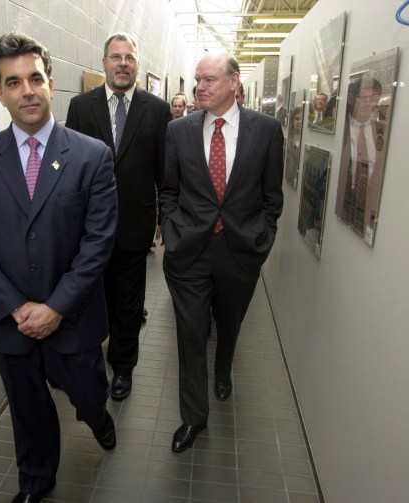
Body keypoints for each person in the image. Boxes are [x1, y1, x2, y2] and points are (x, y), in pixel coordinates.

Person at [0, 33, 118, 503]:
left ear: (50, 84)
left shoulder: (91, 156)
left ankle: (98, 416)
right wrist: (17, 306)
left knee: (86, 395)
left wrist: (57, 308)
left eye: (35, 78)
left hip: (74, 318)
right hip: (11, 324)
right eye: (13, 82)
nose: (27, 90)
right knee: (28, 410)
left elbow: (97, 243)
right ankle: (36, 483)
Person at [160, 51, 284, 452]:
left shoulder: (265, 130)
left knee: (228, 323)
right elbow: (169, 190)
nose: (199, 87)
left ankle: (224, 367)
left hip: (240, 251)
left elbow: (272, 197)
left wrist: (262, 239)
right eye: (197, 80)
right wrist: (173, 229)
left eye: (209, 79)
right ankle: (193, 418)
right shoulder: (179, 130)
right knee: (191, 333)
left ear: (233, 82)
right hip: (189, 252)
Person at [65, 32, 171, 401]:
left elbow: (165, 172)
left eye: (129, 57)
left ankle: (123, 368)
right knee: (93, 299)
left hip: (135, 225)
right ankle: (92, 365)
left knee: (128, 302)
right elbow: (69, 170)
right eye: (115, 57)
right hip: (89, 228)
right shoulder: (81, 107)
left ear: (137, 64)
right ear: (104, 62)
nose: (122, 63)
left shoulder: (156, 110)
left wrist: (164, 218)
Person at [335, 73, 385, 243]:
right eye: (363, 98)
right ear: (351, 99)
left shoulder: (381, 132)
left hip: (367, 214)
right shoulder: (340, 132)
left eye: (373, 98)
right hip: (342, 206)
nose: (368, 103)